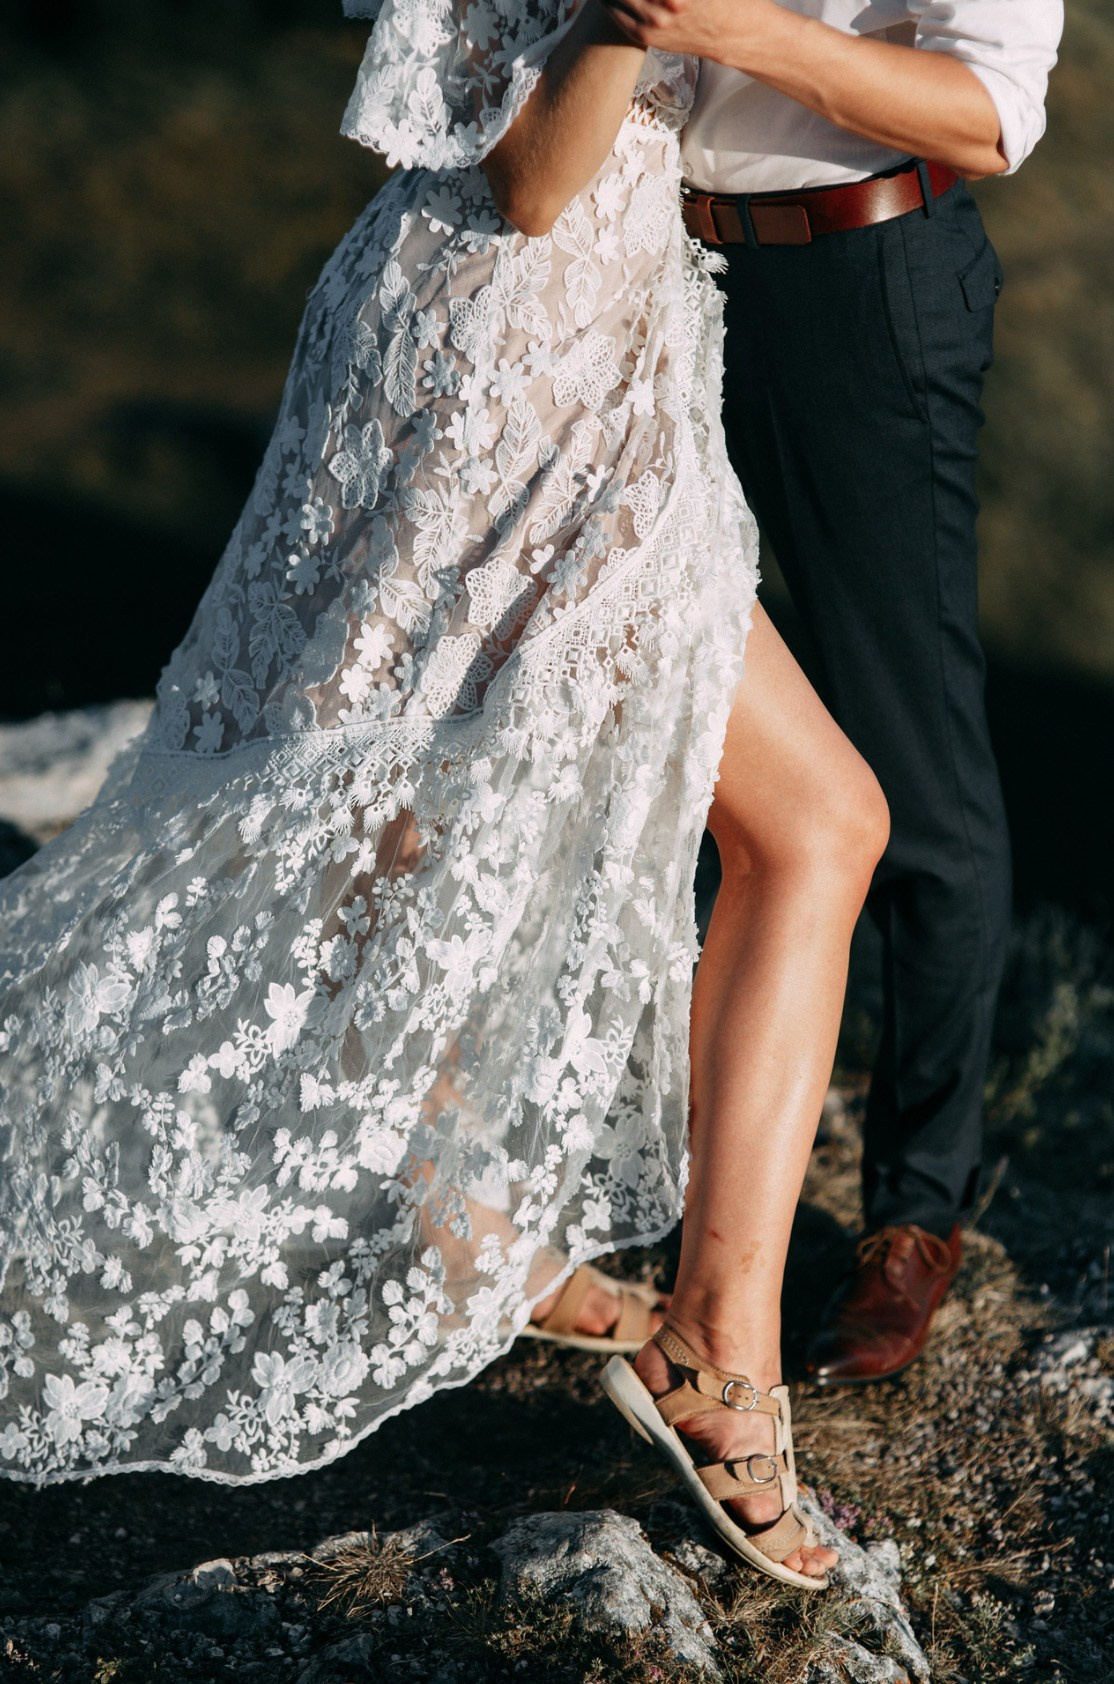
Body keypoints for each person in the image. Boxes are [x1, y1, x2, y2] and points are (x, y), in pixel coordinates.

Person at [0, 0, 902, 1588]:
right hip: (507, 363)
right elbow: (532, 177)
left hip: (579, 348)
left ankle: (485, 1237)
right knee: (777, 822)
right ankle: (709, 1358)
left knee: (427, 817)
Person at [602, 0, 1062, 1384]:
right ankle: (652, 1167)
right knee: (664, 741)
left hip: (855, 287)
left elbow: (987, 118)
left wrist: (733, 28)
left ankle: (913, 1211)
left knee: (907, 767)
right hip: (641, 276)